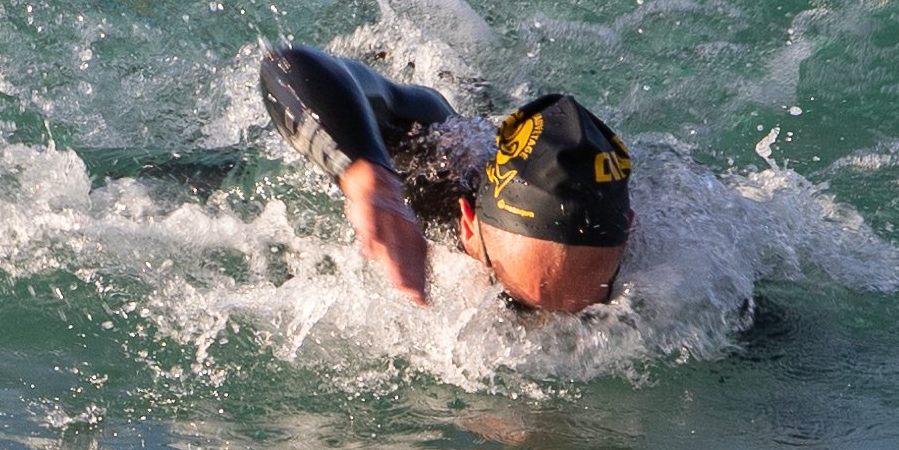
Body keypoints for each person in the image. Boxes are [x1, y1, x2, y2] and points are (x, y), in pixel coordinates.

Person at [258, 43, 635, 313]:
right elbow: (288, 65)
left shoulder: (662, 239)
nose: (546, 334)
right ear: (468, 225)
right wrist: (369, 179)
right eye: (515, 303)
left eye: (591, 310)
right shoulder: (429, 156)